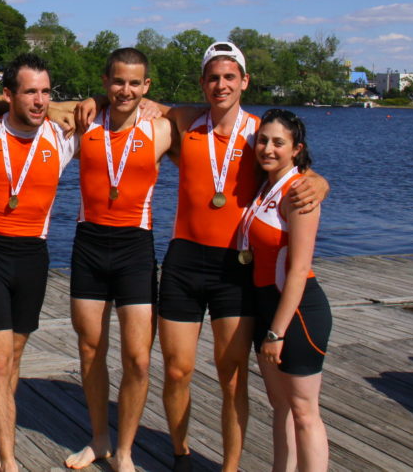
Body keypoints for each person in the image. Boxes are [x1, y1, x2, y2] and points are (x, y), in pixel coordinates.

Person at [75, 41, 328, 472]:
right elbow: (130, 100)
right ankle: (181, 453)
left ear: (245, 82)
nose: (222, 85)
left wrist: (318, 180)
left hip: (234, 266)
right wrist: (95, 98)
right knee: (176, 371)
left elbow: (292, 165)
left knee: (231, 376)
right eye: (213, 78)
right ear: (202, 84)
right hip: (183, 262)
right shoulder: (183, 123)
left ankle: (229, 467)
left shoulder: (258, 134)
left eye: (230, 77)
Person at [0, 53, 73, 472]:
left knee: (14, 360)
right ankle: (8, 462)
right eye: (30, 91)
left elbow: (115, 115)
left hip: (34, 255)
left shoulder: (62, 138)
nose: (40, 100)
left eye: (46, 92)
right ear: (9, 95)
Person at [64, 48, 170, 472]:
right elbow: (25, 105)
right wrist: (91, 102)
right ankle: (100, 438)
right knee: (90, 350)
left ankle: (125, 450)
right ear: (106, 82)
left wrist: (312, 176)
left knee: (138, 358)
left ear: (145, 87)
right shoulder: (83, 123)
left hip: (135, 248)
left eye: (134, 83)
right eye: (117, 82)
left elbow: (208, 112)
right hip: (88, 244)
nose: (125, 90)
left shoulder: (162, 129)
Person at [242, 109, 330, 471]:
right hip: (267, 307)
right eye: (263, 140)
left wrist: (276, 332)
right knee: (281, 408)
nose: (268, 148)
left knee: (305, 412)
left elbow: (296, 270)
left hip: (297, 314)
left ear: (297, 149)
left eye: (279, 142)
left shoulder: (299, 192)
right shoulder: (265, 186)